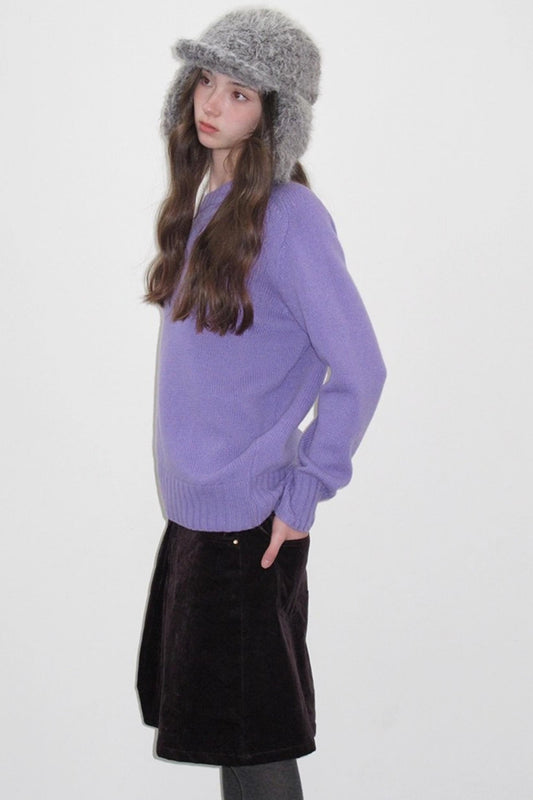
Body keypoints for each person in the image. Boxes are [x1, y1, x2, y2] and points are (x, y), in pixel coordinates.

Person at [136, 7, 387, 800]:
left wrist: (305, 490)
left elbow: (361, 367)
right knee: (232, 741)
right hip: (200, 521)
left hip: (249, 528)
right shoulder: (208, 206)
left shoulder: (289, 217)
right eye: (207, 81)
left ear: (275, 114)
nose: (212, 103)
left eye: (239, 92)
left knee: (253, 747)